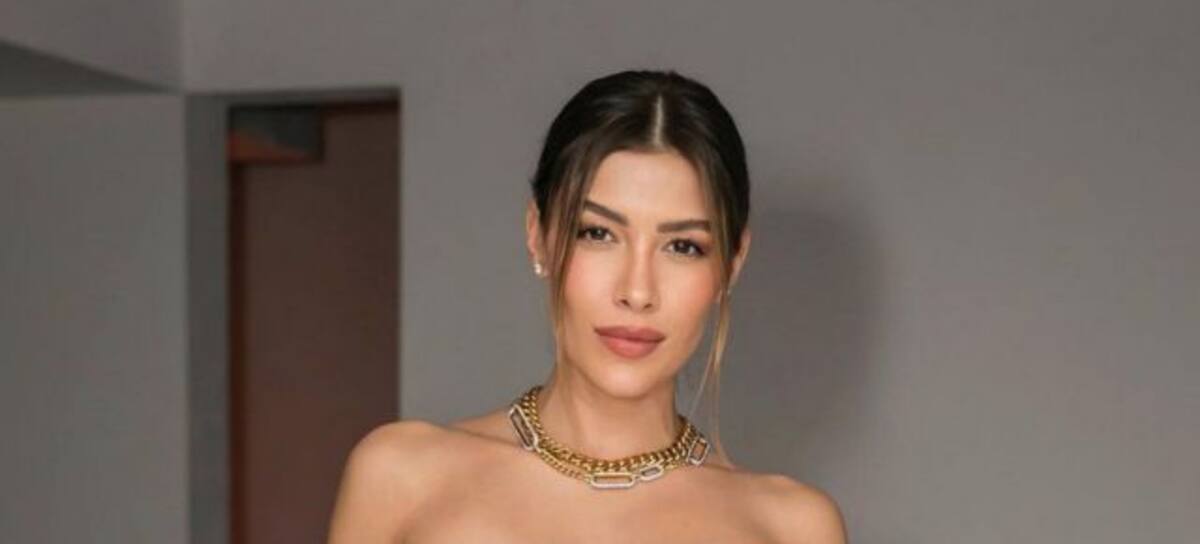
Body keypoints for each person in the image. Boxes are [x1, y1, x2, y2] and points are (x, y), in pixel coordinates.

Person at [327, 69, 847, 543]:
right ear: (539, 235)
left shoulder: (791, 528)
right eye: (598, 233)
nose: (637, 292)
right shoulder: (402, 476)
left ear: (732, 262)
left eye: (683, 246)